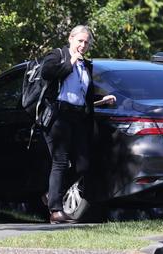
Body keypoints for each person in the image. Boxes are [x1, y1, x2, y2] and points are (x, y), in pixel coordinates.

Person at [40, 25, 114, 224]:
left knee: (83, 164)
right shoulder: (58, 55)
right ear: (70, 38)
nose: (83, 45)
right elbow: (47, 73)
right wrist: (71, 61)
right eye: (80, 41)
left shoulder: (85, 65)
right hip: (59, 116)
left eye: (86, 42)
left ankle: (52, 194)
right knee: (61, 161)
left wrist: (102, 98)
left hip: (78, 117)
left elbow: (82, 93)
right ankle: (55, 210)